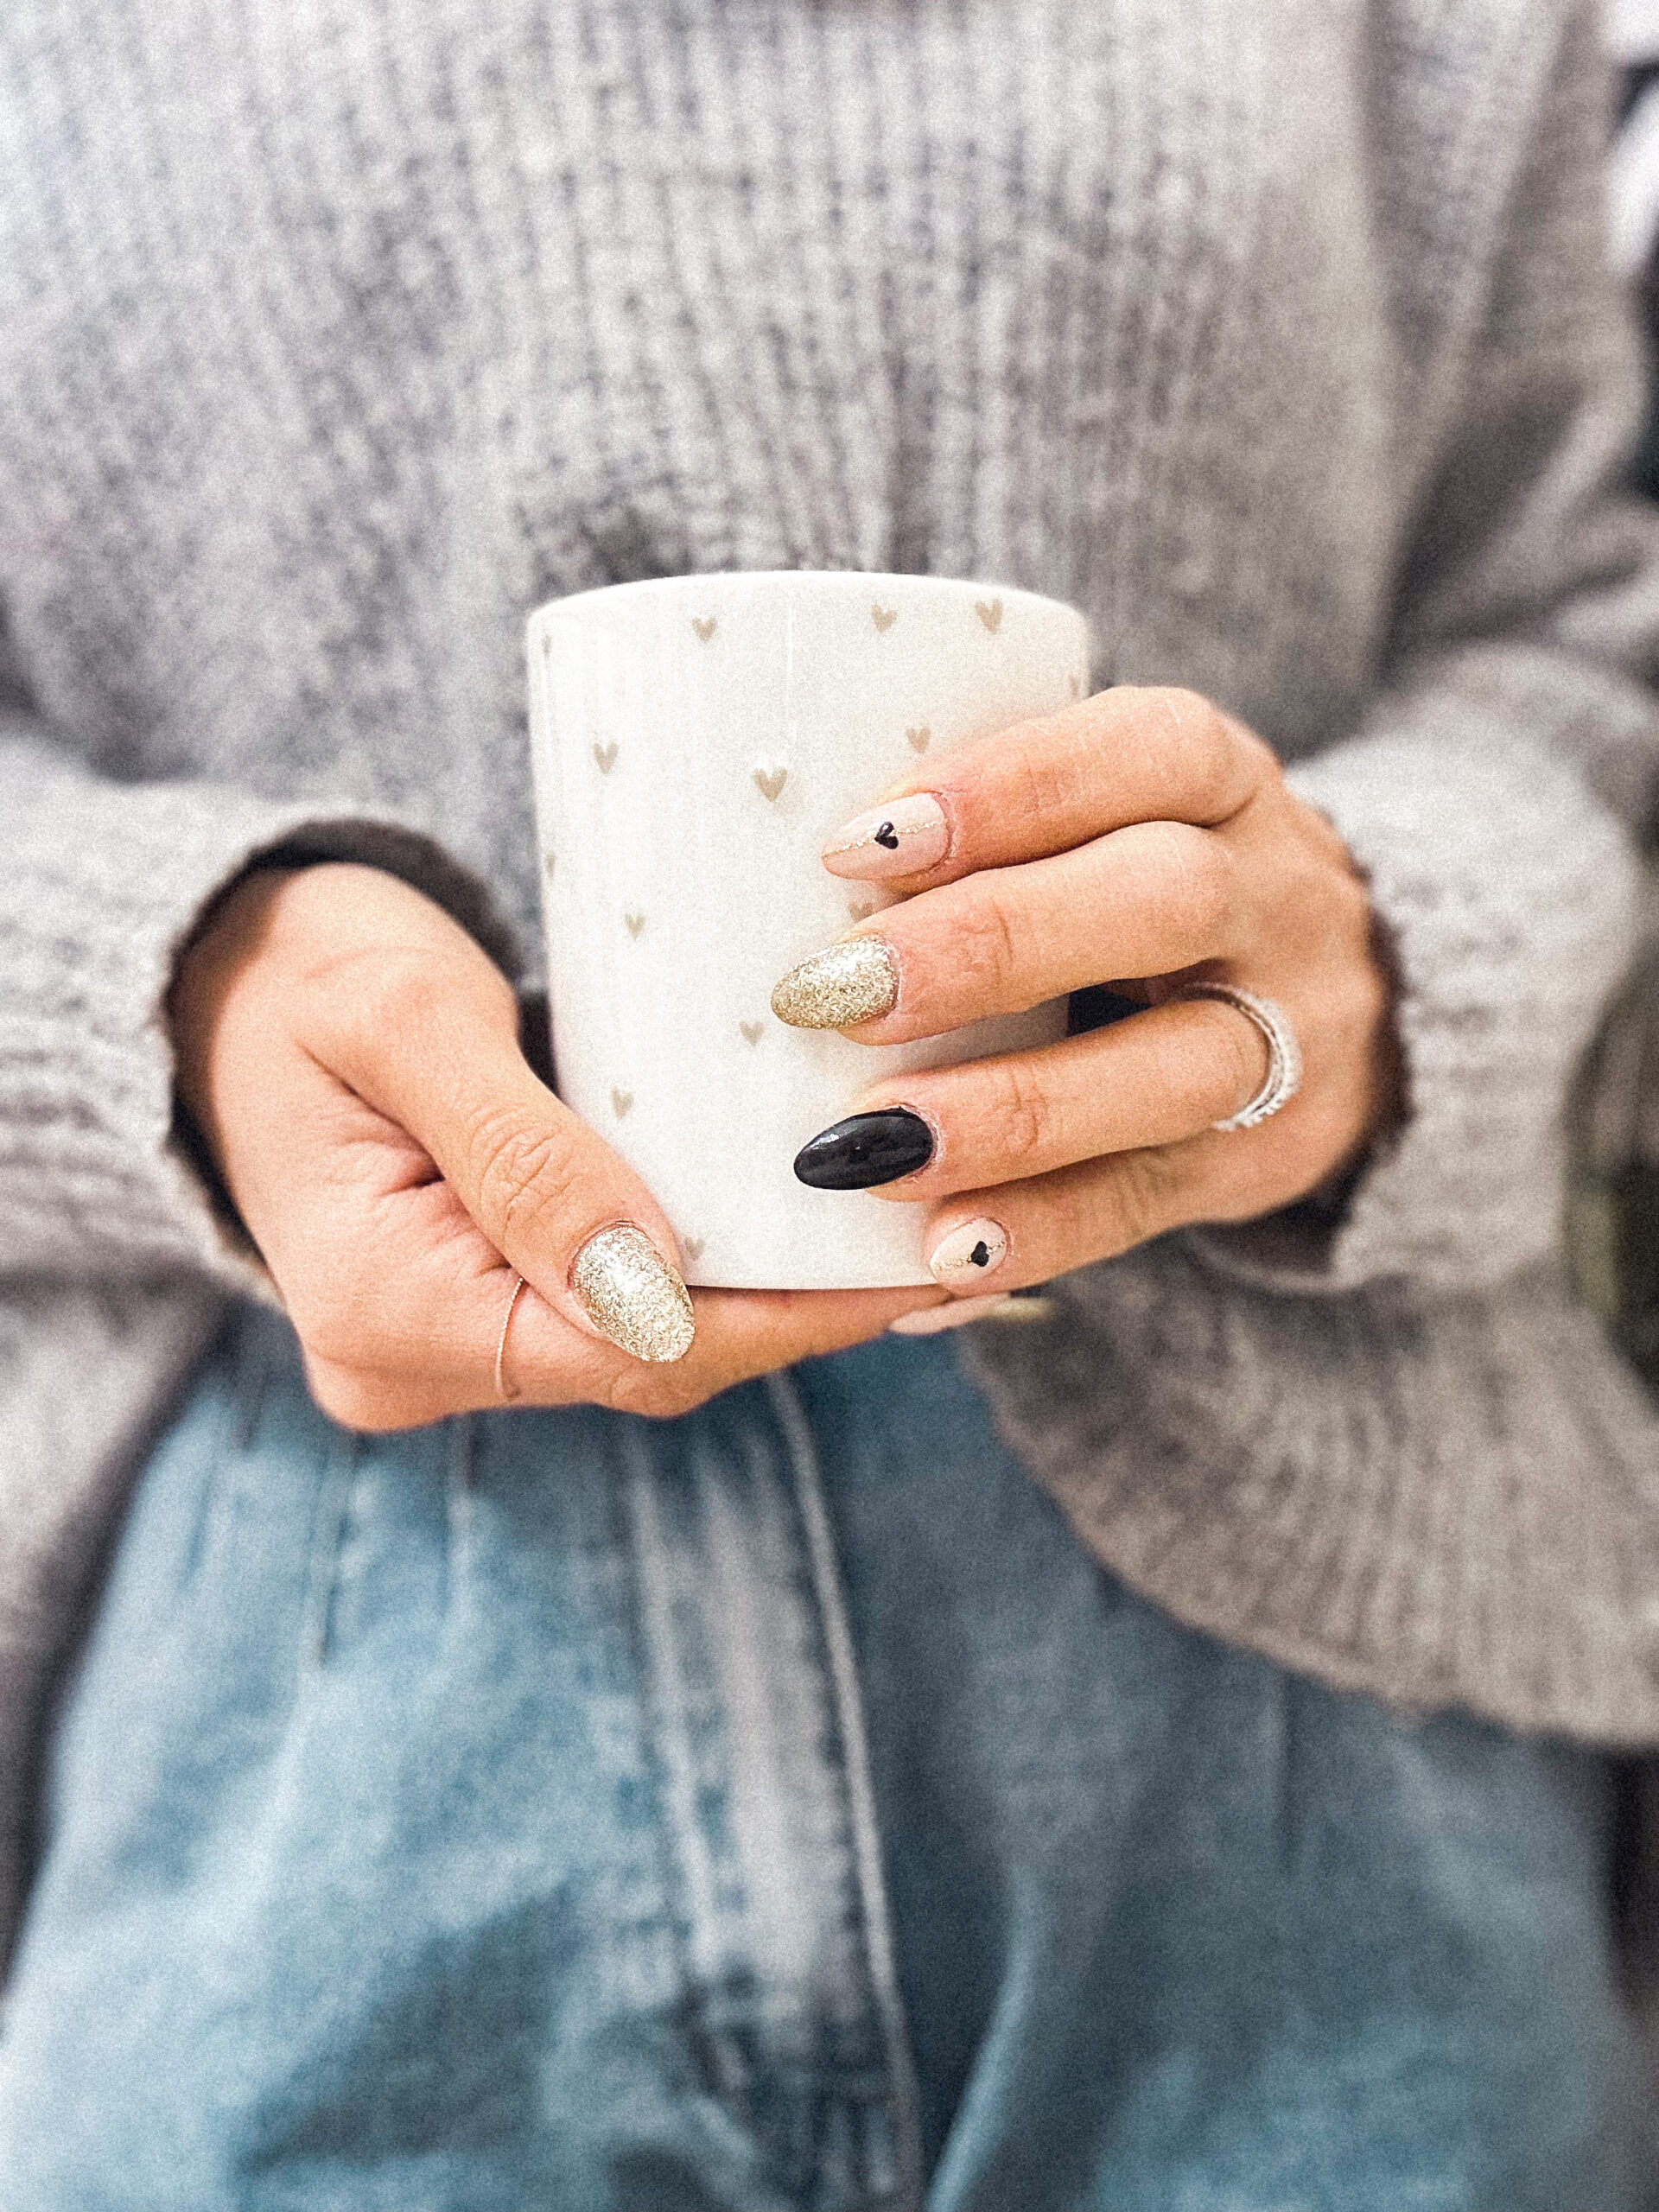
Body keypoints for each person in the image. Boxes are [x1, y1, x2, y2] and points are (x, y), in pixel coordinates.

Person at [2, 1, 1659, 2203]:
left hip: (1318, 1704)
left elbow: (1575, 634)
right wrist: (180, 981)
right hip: (311, 1689)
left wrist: (1376, 951)